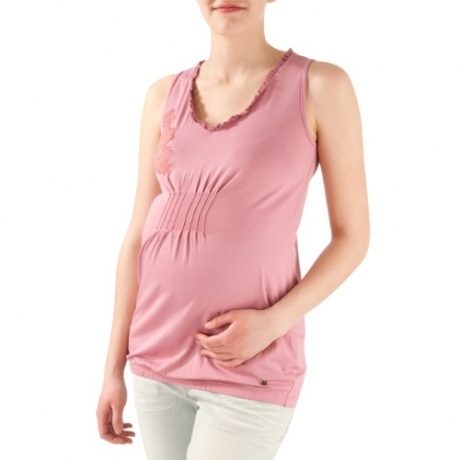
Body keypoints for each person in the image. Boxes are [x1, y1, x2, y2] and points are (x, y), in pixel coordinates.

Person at [96, 0, 370, 458]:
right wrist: (112, 369)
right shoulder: (163, 95)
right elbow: (137, 239)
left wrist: (275, 322)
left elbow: (353, 237)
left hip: (250, 366)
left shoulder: (320, 86)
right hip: (154, 360)